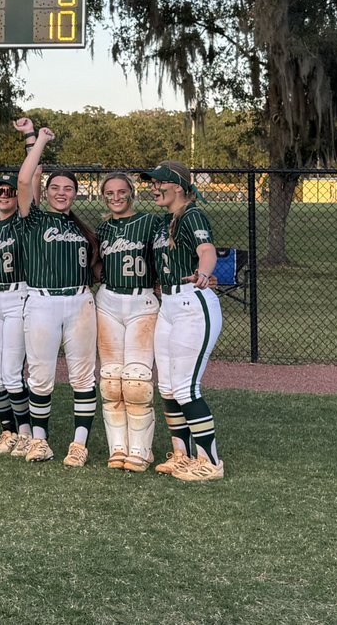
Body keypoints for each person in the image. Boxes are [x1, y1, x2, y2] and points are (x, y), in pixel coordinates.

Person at [15, 120, 100, 466]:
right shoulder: (33, 220)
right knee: (40, 375)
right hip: (42, 302)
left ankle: (79, 443)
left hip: (79, 301)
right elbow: (24, 179)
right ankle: (40, 441)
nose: (62, 193)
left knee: (82, 375)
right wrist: (39, 142)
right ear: (47, 192)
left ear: (75, 194)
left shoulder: (82, 228)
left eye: (68, 189)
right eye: (56, 188)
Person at [144, 161, 225, 482]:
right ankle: (182, 455)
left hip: (193, 302)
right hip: (169, 305)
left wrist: (205, 273)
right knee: (166, 387)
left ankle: (210, 462)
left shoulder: (192, 215)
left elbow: (206, 250)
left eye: (159, 183)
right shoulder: (167, 221)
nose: (153, 188)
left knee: (185, 387)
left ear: (178, 186)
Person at [94, 171, 160, 472]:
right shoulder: (103, 229)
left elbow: (167, 257)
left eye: (122, 192)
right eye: (110, 193)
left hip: (141, 300)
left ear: (132, 193)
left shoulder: (149, 222)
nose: (116, 197)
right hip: (108, 301)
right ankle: (117, 447)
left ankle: (141, 449)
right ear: (103, 195)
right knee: (110, 379)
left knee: (136, 381)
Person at [0, 166, 34, 459]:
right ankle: (8, 429)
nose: (4, 195)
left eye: (10, 191)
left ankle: (26, 432)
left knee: (12, 373)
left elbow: (30, 182)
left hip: (17, 293)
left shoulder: (24, 222)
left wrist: (32, 139)